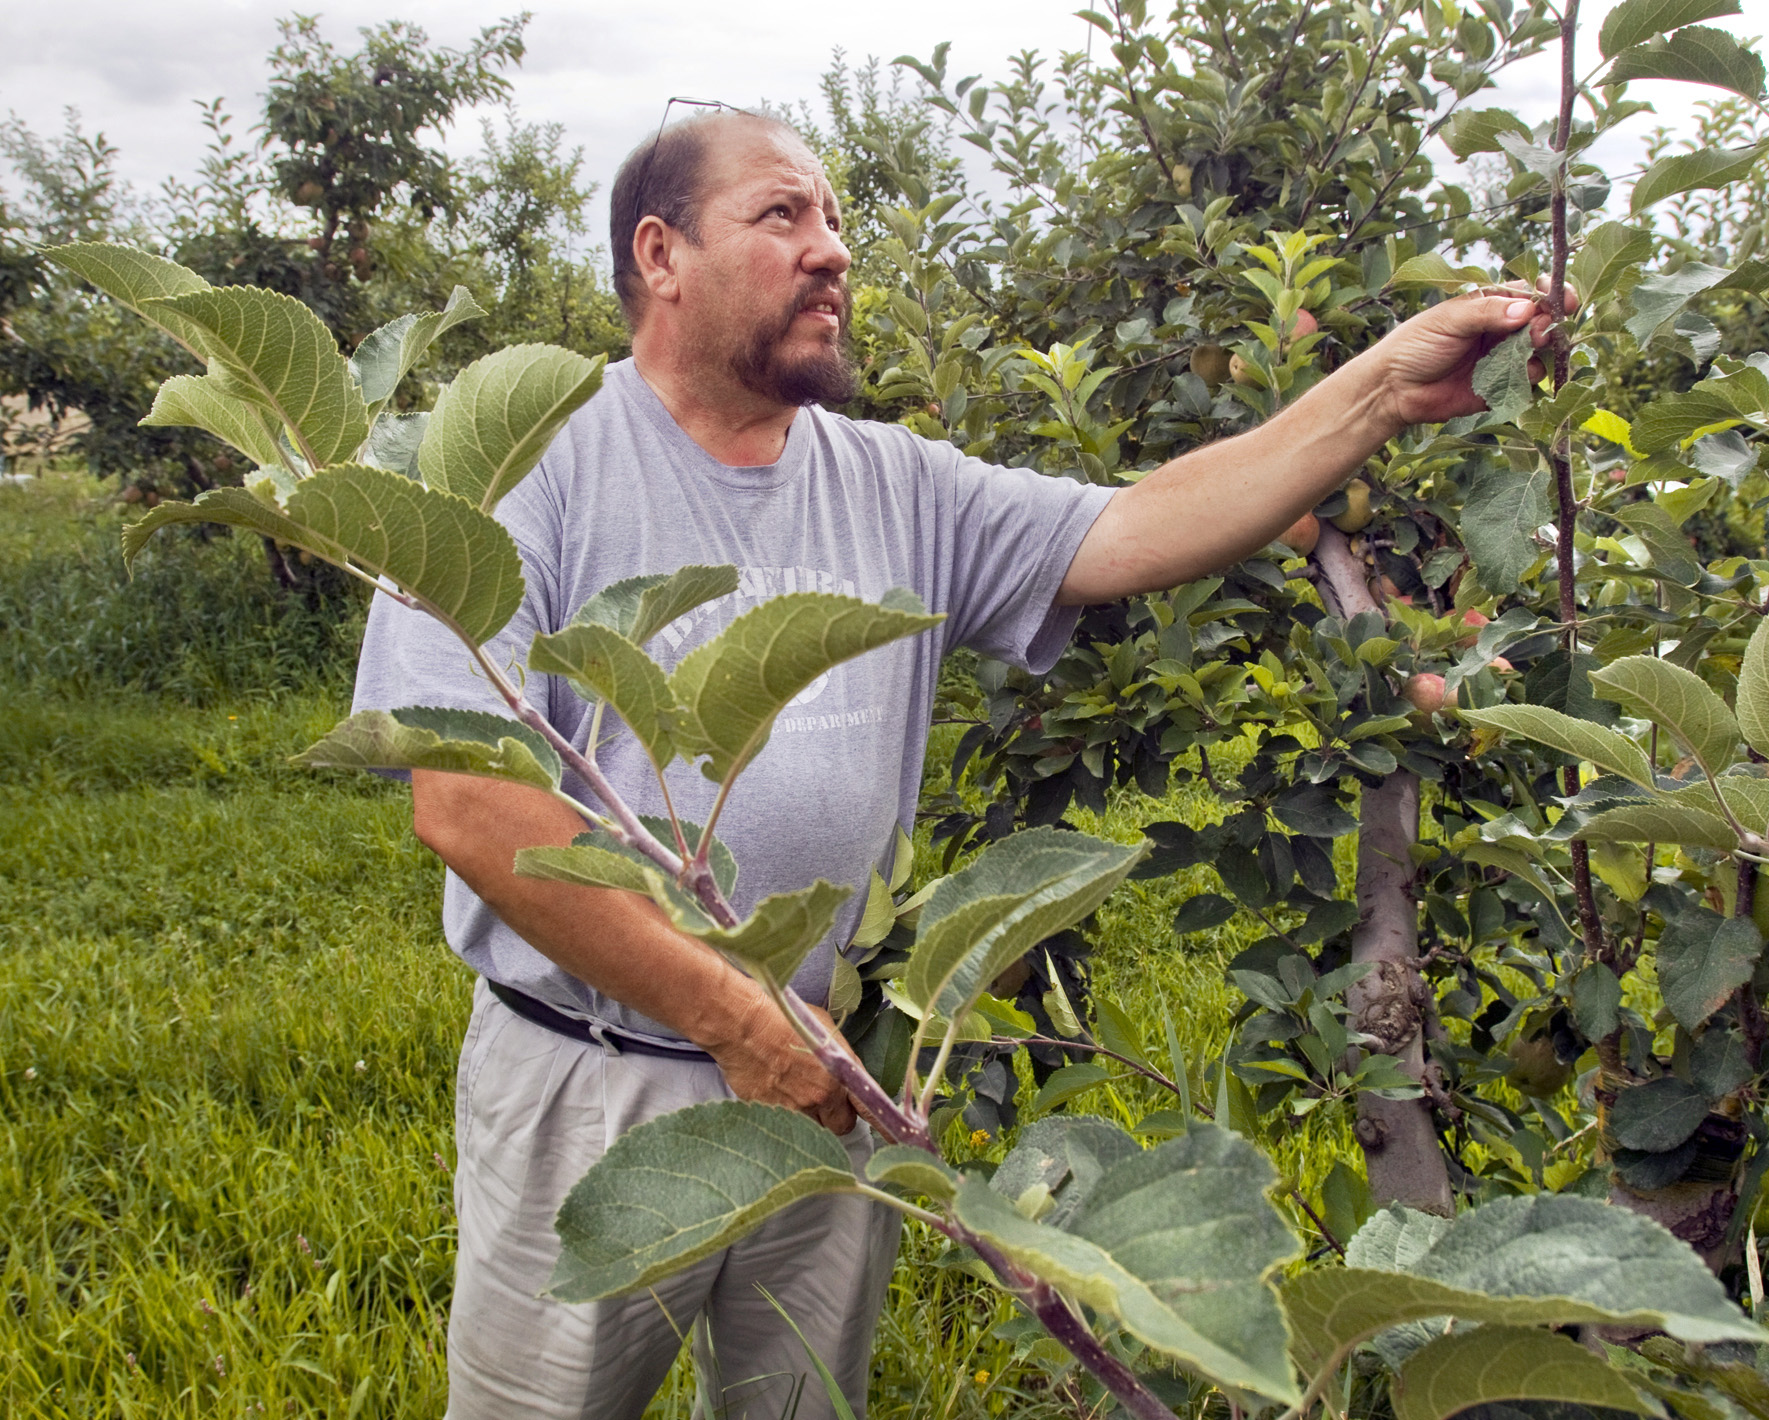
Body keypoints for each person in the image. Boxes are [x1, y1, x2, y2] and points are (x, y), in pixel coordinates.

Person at [351, 108, 1563, 1420]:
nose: (833, 251)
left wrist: (1382, 388)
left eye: (833, 219)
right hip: (599, 1078)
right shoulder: (519, 467)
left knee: (801, 1404)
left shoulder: (892, 482)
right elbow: (471, 807)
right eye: (783, 216)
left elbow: (1137, 525)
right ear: (662, 253)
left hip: (826, 1079)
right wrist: (734, 1018)